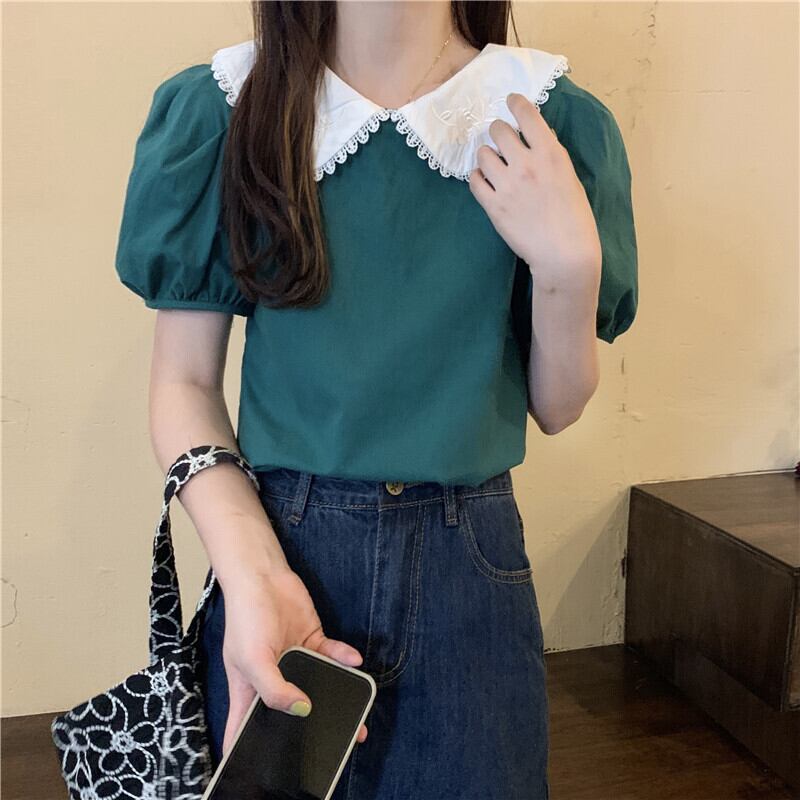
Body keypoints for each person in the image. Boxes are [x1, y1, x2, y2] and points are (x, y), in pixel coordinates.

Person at [114, 1, 638, 797]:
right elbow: (183, 385)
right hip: (279, 560)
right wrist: (252, 575)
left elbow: (557, 405)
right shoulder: (228, 106)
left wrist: (570, 266)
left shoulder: (546, 120)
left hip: (471, 571)